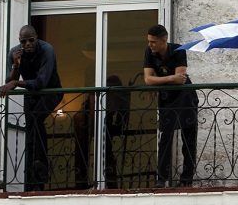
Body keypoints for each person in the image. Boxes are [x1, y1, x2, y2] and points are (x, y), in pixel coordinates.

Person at [0, 25, 63, 191]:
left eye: (30, 40)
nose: (27, 44)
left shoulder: (47, 50)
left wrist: (15, 83)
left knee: (35, 118)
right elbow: (9, 81)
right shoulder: (15, 52)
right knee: (32, 128)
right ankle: (34, 173)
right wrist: (15, 65)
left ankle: (39, 171)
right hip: (31, 95)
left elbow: (41, 82)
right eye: (23, 41)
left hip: (51, 92)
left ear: (36, 37)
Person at [143, 25, 199, 188]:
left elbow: (180, 79)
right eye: (149, 41)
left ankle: (186, 179)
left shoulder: (178, 50)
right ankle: (162, 178)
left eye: (153, 42)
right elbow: (148, 79)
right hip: (167, 98)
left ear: (164, 41)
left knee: (188, 138)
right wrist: (170, 78)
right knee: (165, 137)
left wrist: (161, 79)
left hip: (185, 98)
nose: (150, 45)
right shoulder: (149, 52)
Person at [73, 75, 130, 190]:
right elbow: (121, 116)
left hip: (100, 121)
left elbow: (122, 116)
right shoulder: (101, 96)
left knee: (105, 153)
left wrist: (118, 126)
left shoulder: (115, 95)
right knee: (100, 153)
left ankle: (103, 182)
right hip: (87, 121)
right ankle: (84, 183)